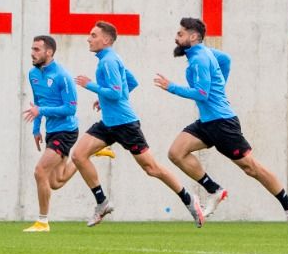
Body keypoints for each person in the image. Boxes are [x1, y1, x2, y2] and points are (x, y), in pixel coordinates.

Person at [155, 17, 288, 236]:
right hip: (207, 122)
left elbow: (203, 94)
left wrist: (172, 87)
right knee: (176, 152)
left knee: (251, 167)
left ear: (193, 36)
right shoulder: (203, 53)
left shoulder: (199, 59)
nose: (176, 38)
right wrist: (219, 87)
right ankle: (214, 190)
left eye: (180, 34)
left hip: (223, 123)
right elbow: (226, 60)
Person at [70, 21, 204, 228]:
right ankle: (102, 202)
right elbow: (131, 82)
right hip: (108, 123)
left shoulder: (108, 61)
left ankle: (189, 200)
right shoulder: (110, 59)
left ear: (106, 40)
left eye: (93, 35)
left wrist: (92, 86)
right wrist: (103, 99)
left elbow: (117, 92)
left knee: (152, 169)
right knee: (78, 155)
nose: (89, 39)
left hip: (125, 124)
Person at [20, 35, 79, 232]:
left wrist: (41, 112)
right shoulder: (33, 74)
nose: (32, 53)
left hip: (67, 130)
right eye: (32, 48)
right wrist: (36, 129)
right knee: (55, 182)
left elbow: (70, 110)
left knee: (40, 171)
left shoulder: (63, 76)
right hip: (52, 131)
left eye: (37, 49)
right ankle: (85, 156)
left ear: (49, 52)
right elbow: (38, 103)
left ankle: (42, 222)